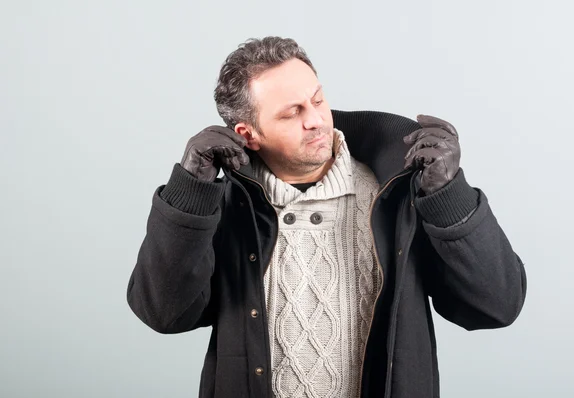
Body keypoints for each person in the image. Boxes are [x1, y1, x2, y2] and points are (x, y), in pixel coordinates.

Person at [126, 36, 527, 398]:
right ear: (248, 134)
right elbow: (165, 313)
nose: (316, 119)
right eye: (292, 112)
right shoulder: (228, 202)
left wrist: (449, 192)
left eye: (317, 99)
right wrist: (190, 191)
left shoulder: (398, 190)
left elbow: (496, 306)